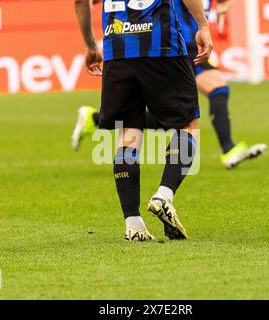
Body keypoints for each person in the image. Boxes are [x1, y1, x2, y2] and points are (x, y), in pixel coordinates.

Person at [74, 0, 213, 241]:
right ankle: (164, 195)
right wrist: (203, 25)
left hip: (117, 51)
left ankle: (133, 223)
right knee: (188, 125)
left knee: (128, 132)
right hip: (163, 47)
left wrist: (90, 45)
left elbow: (80, 2)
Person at [72, 0, 267, 169]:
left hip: (187, 43)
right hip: (174, 44)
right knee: (203, 100)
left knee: (194, 104)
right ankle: (228, 149)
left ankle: (96, 118)